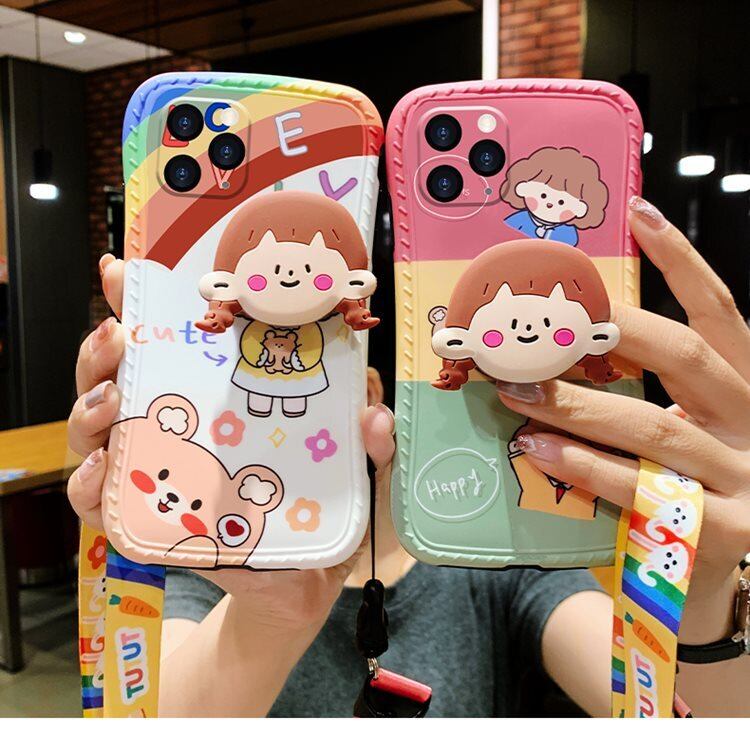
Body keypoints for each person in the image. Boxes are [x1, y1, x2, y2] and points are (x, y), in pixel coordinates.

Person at [67, 197, 750, 717]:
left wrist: (705, 584)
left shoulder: (489, 549)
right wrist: (272, 615)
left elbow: (680, 713)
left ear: (369, 390)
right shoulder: (207, 553)